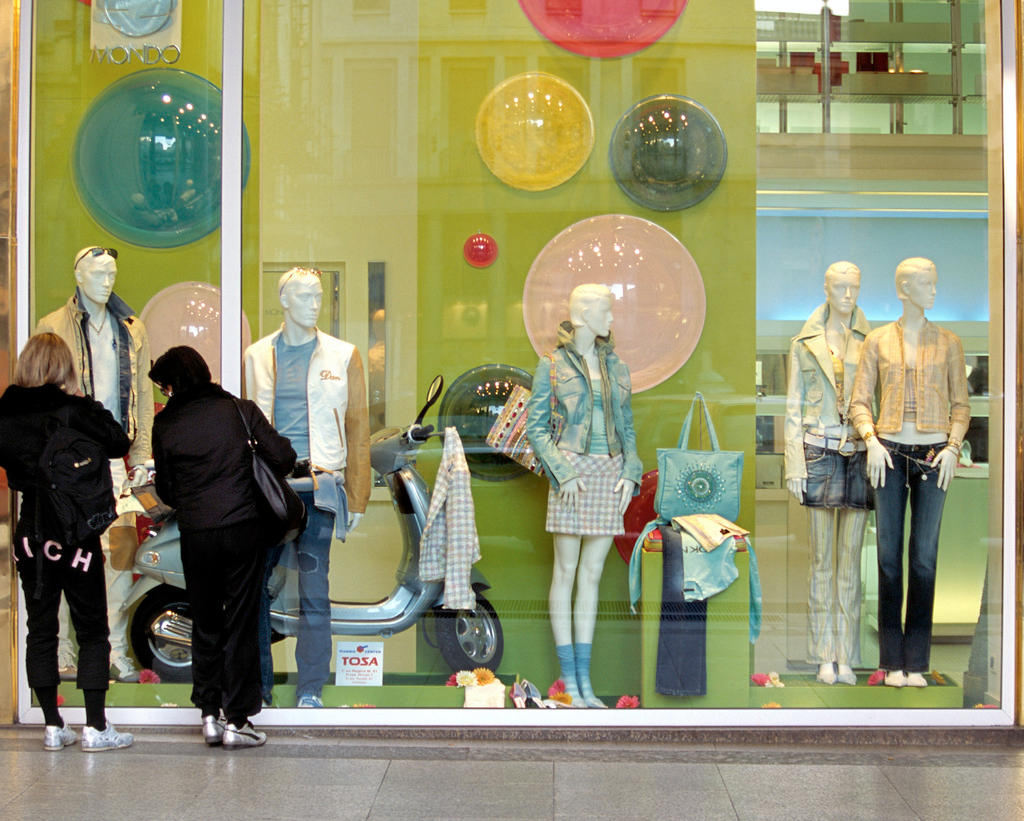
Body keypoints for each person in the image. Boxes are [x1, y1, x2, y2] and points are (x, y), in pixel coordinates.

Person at [150, 346, 295, 747]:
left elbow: (166, 488)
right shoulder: (238, 410)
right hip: (241, 528)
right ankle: (238, 720)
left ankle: (209, 714)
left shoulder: (166, 425)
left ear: (175, 383)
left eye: (165, 386)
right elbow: (283, 458)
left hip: (196, 533)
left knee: (207, 622)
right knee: (242, 622)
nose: (165, 393)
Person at [243, 267, 371, 708]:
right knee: (256, 586)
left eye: (318, 295)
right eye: (304, 296)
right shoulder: (257, 355)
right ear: (284, 301)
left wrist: (358, 494)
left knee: (314, 590)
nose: (314, 304)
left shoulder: (343, 355)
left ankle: (311, 687)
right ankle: (259, 685)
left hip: (320, 486)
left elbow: (357, 427)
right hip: (271, 489)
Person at [0, 333, 134, 751]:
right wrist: (84, 401)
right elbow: (119, 440)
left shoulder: (6, 412)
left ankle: (53, 726)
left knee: (40, 628)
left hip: (31, 532)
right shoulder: (74, 409)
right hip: (74, 531)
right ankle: (96, 727)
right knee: (91, 627)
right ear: (64, 368)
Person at [35, 245, 154, 683]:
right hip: (69, 464)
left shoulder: (132, 328)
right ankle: (68, 651)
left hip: (116, 460)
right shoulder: (52, 327)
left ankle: (115, 650)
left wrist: (143, 457)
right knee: (71, 556)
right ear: (79, 276)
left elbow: (140, 395)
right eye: (99, 272)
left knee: (120, 559)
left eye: (112, 273)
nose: (108, 280)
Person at [849, 258, 970, 688]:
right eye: (925, 283)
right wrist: (871, 440)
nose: (933, 290)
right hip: (889, 450)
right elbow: (860, 400)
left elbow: (961, 404)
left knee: (923, 558)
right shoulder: (879, 341)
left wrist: (954, 446)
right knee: (887, 559)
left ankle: (916, 660)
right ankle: (890, 660)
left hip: (935, 454)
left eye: (935, 282)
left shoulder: (950, 342)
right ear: (904, 288)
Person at [525, 283, 642, 708]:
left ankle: (584, 683)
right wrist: (563, 473)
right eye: (606, 311)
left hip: (609, 472)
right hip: (570, 474)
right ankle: (568, 677)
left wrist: (630, 472)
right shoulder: (551, 365)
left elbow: (627, 426)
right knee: (566, 571)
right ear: (583, 316)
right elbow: (536, 428)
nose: (612, 319)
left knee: (591, 575)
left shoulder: (618, 367)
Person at [784, 262, 872, 686]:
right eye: (840, 286)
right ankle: (822, 654)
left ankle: (847, 654)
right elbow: (792, 407)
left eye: (853, 287)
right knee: (821, 560)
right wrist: (793, 463)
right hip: (818, 450)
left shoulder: (873, 342)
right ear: (825, 287)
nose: (847, 294)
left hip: (858, 452)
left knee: (851, 562)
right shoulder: (803, 343)